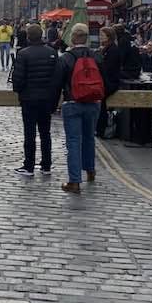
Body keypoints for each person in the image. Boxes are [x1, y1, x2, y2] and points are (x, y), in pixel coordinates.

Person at [58, 23, 103, 194]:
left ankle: (74, 182)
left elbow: (58, 82)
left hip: (72, 103)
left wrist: (54, 103)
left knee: (74, 142)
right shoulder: (96, 56)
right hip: (93, 103)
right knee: (89, 138)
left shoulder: (66, 58)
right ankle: (90, 171)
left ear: (73, 37)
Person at [12, 23, 59, 177]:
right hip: (46, 99)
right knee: (46, 133)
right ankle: (46, 165)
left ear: (28, 37)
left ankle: (29, 166)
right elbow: (55, 78)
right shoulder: (52, 52)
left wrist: (19, 91)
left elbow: (17, 79)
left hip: (29, 99)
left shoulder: (23, 54)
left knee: (30, 133)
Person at [96, 26, 120, 137]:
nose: (100, 37)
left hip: (110, 83)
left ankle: (101, 129)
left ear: (109, 37)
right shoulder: (106, 48)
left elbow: (108, 69)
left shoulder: (113, 50)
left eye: (102, 35)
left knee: (100, 103)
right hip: (105, 81)